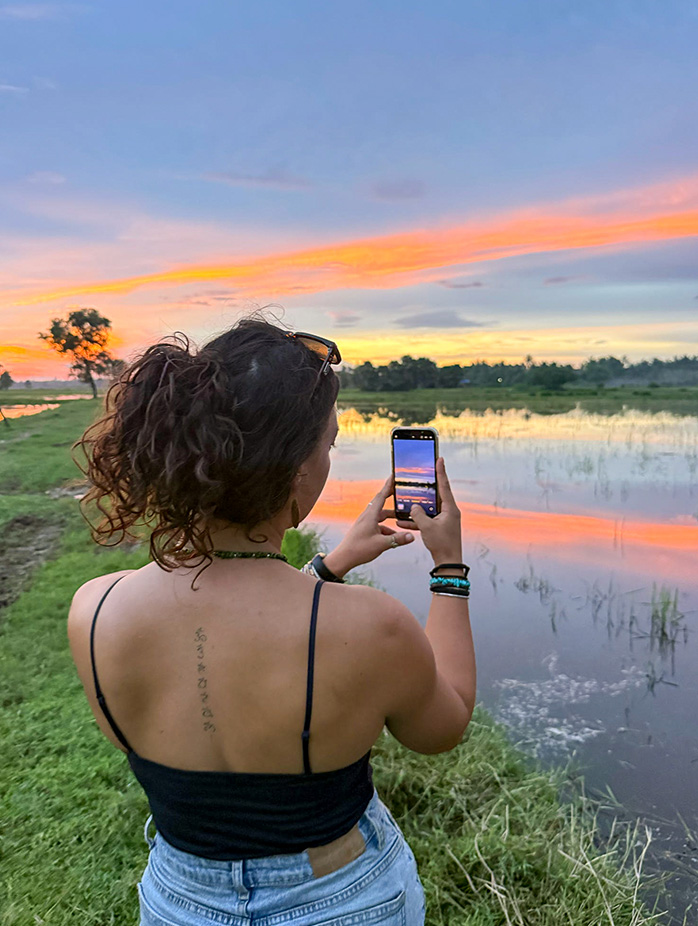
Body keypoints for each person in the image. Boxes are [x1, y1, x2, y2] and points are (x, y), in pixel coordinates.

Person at [67, 313, 476, 926]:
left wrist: (333, 565)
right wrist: (449, 568)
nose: (329, 459)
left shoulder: (93, 609)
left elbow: (235, 629)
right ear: (297, 473)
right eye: (329, 444)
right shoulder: (373, 628)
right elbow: (442, 729)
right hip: (342, 899)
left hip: (178, 899)